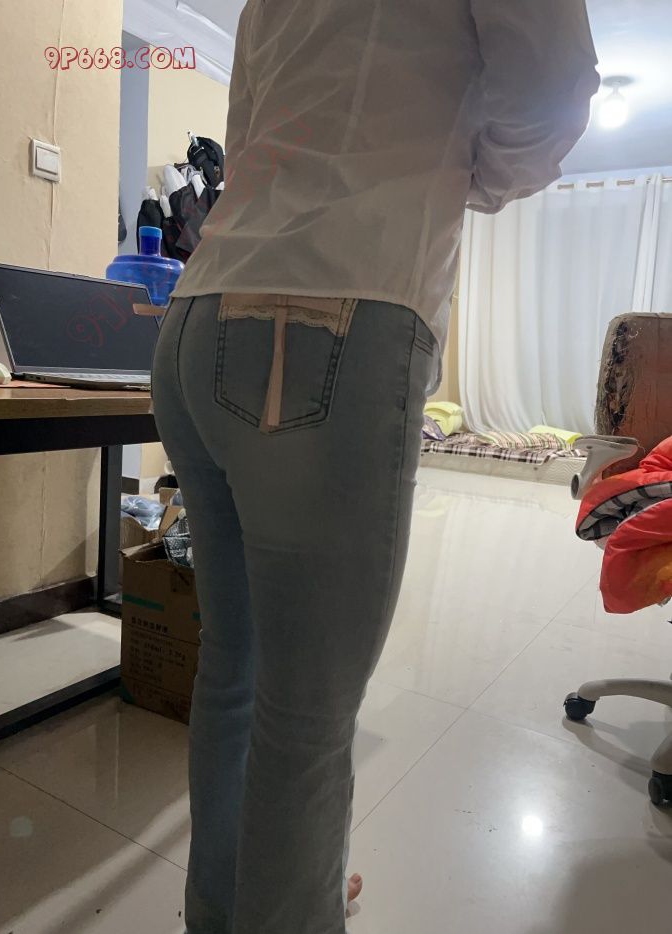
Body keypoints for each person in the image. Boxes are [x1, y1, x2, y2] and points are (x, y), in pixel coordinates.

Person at [151, 2, 599, 931]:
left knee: (235, 669)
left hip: (198, 316)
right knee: (305, 715)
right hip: (331, 307)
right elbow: (552, 89)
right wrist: (462, 174)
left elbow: (249, 134)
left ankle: (236, 908)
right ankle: (288, 904)